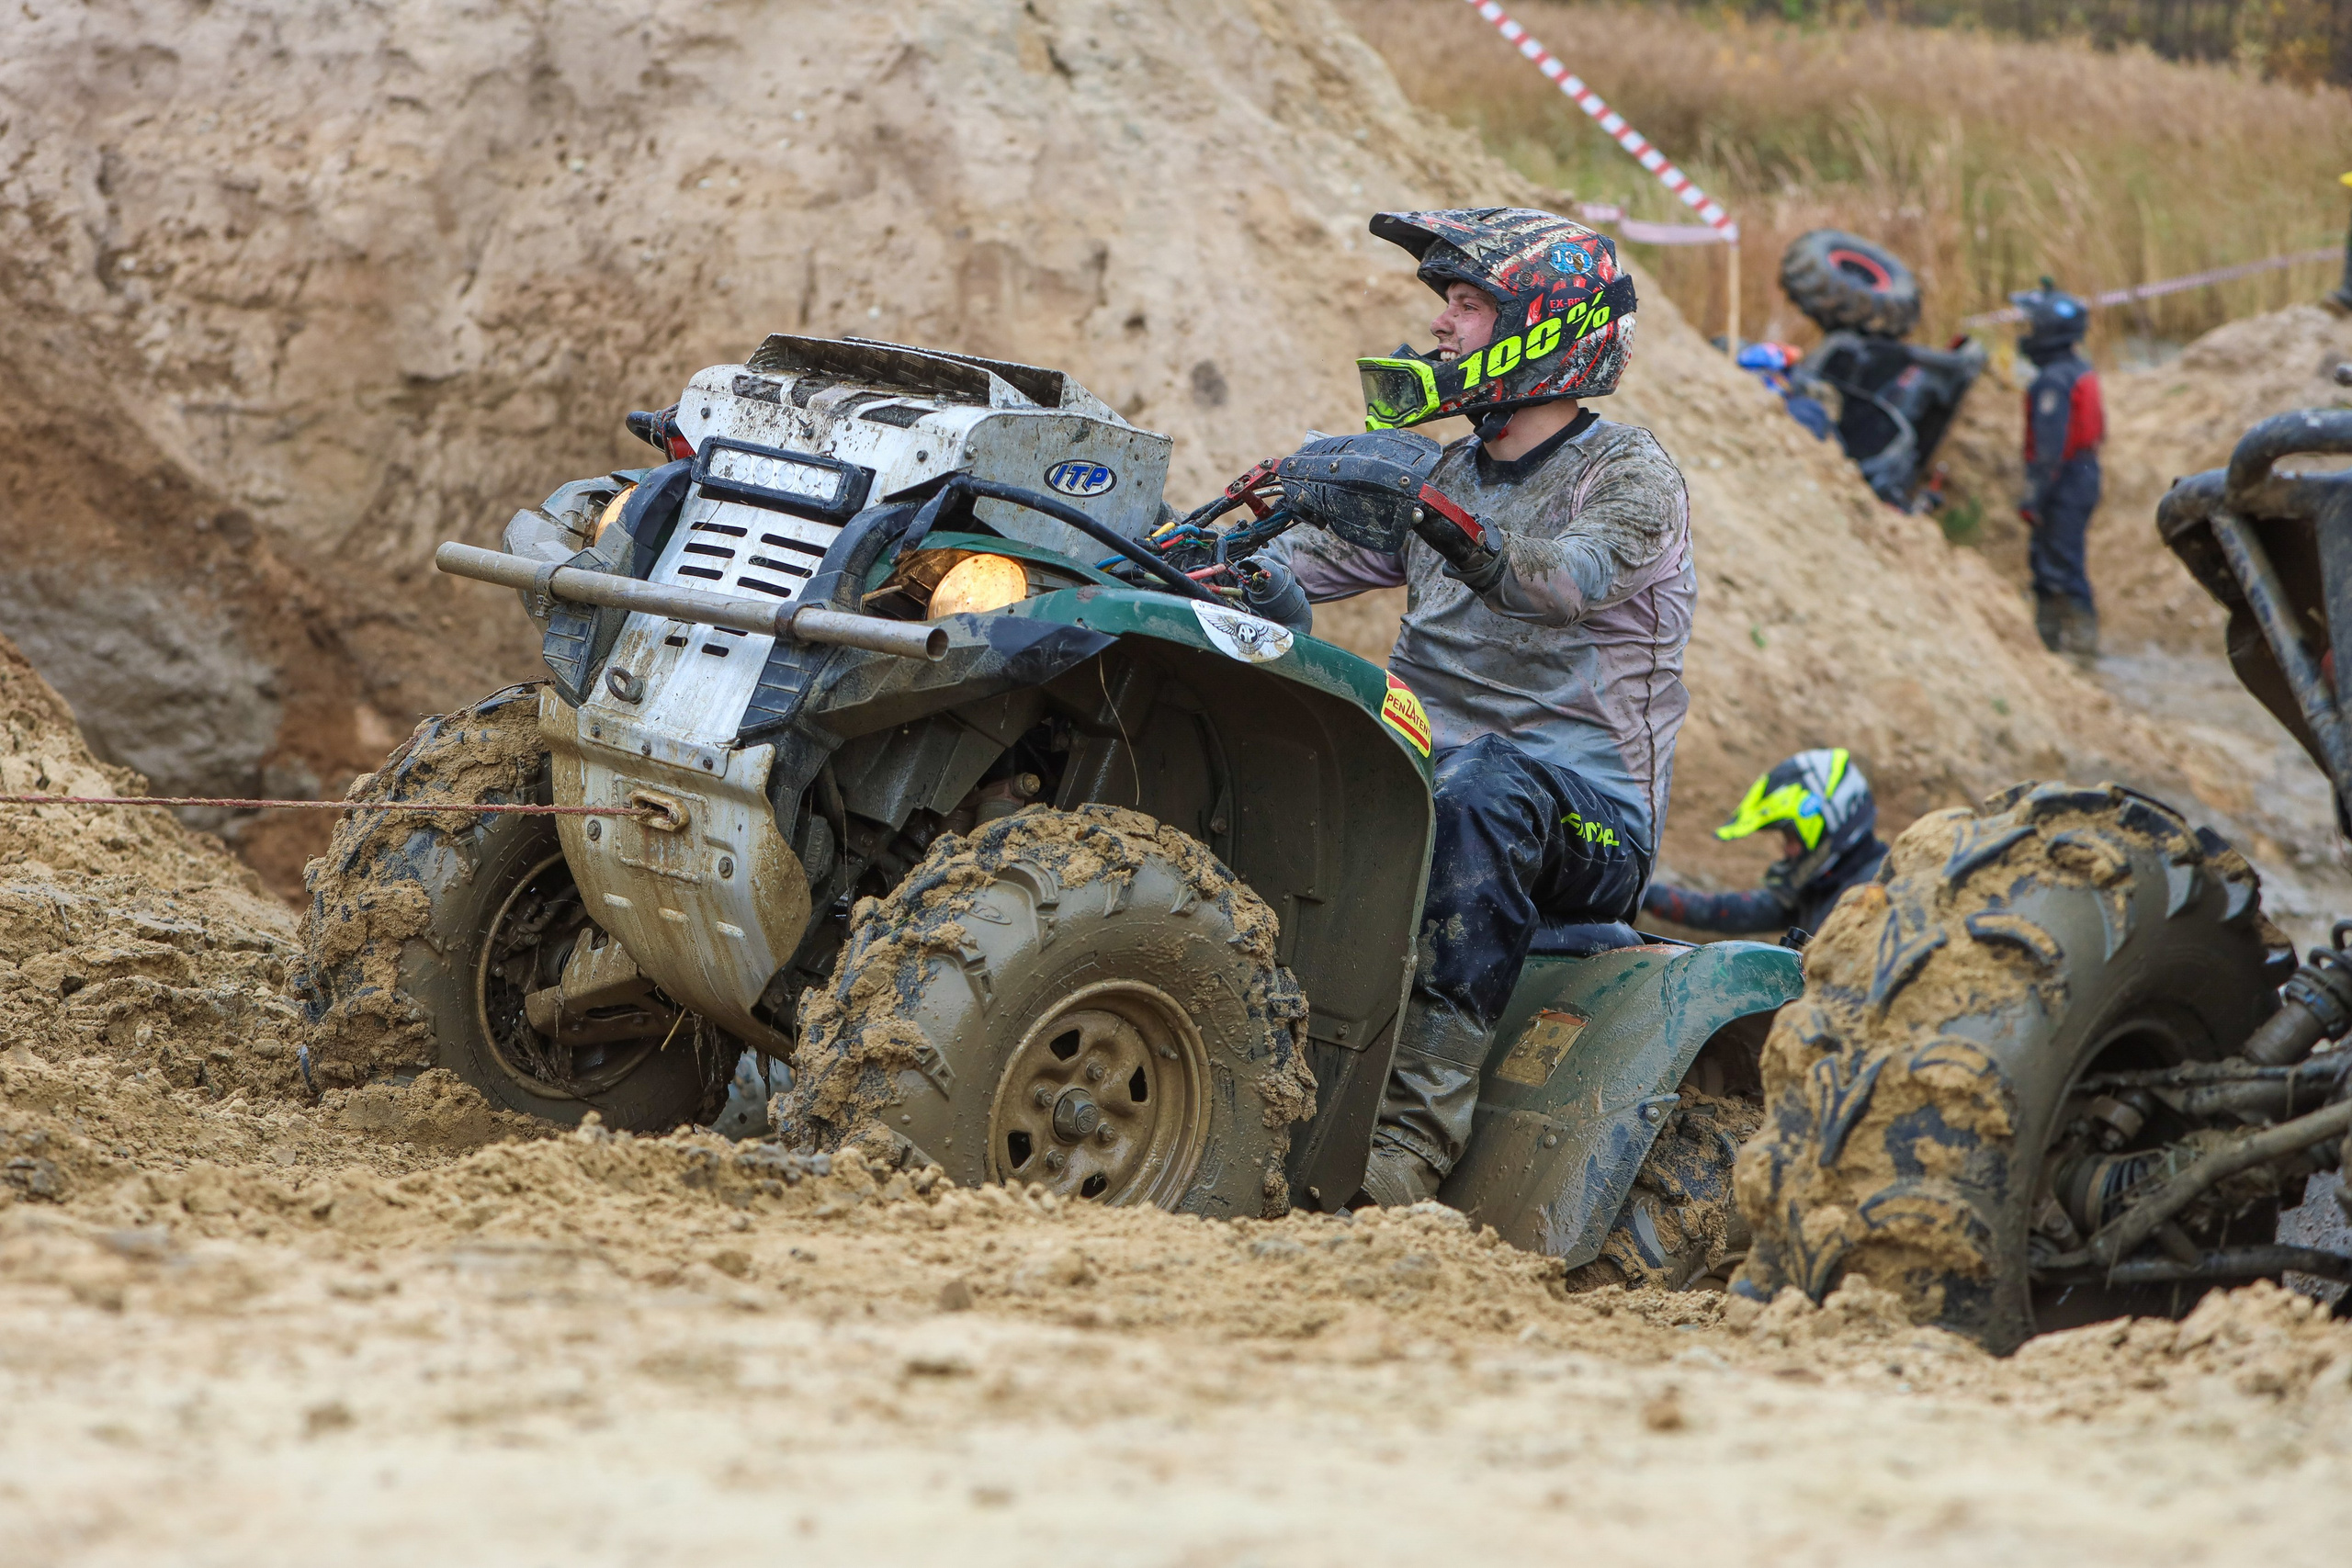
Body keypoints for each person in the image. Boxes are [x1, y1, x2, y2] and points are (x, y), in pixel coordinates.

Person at [1252, 207, 1695, 1208]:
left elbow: (1564, 580)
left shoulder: (1629, 476)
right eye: (1444, 303)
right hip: (1426, 779)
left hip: (1587, 822)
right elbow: (1293, 565)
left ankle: (1412, 1138)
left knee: (1486, 784)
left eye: (1466, 303)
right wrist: (1202, 558)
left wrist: (1443, 521)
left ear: (1543, 326)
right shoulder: (1445, 471)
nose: (1441, 325)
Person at [1640, 748, 1888, 942]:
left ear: (1830, 824)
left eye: (1792, 838)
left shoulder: (1878, 890)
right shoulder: (1818, 890)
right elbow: (1726, 912)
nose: (1788, 850)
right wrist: (1644, 893)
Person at [2012, 279, 2103, 662]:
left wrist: (2034, 495)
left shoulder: (2054, 380)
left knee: (2061, 561)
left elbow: (2050, 448)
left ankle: (2080, 646)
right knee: (2050, 559)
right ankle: (2049, 640)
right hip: (2080, 473)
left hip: (2067, 478)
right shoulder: (2075, 370)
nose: (2026, 333)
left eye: (2032, 325)